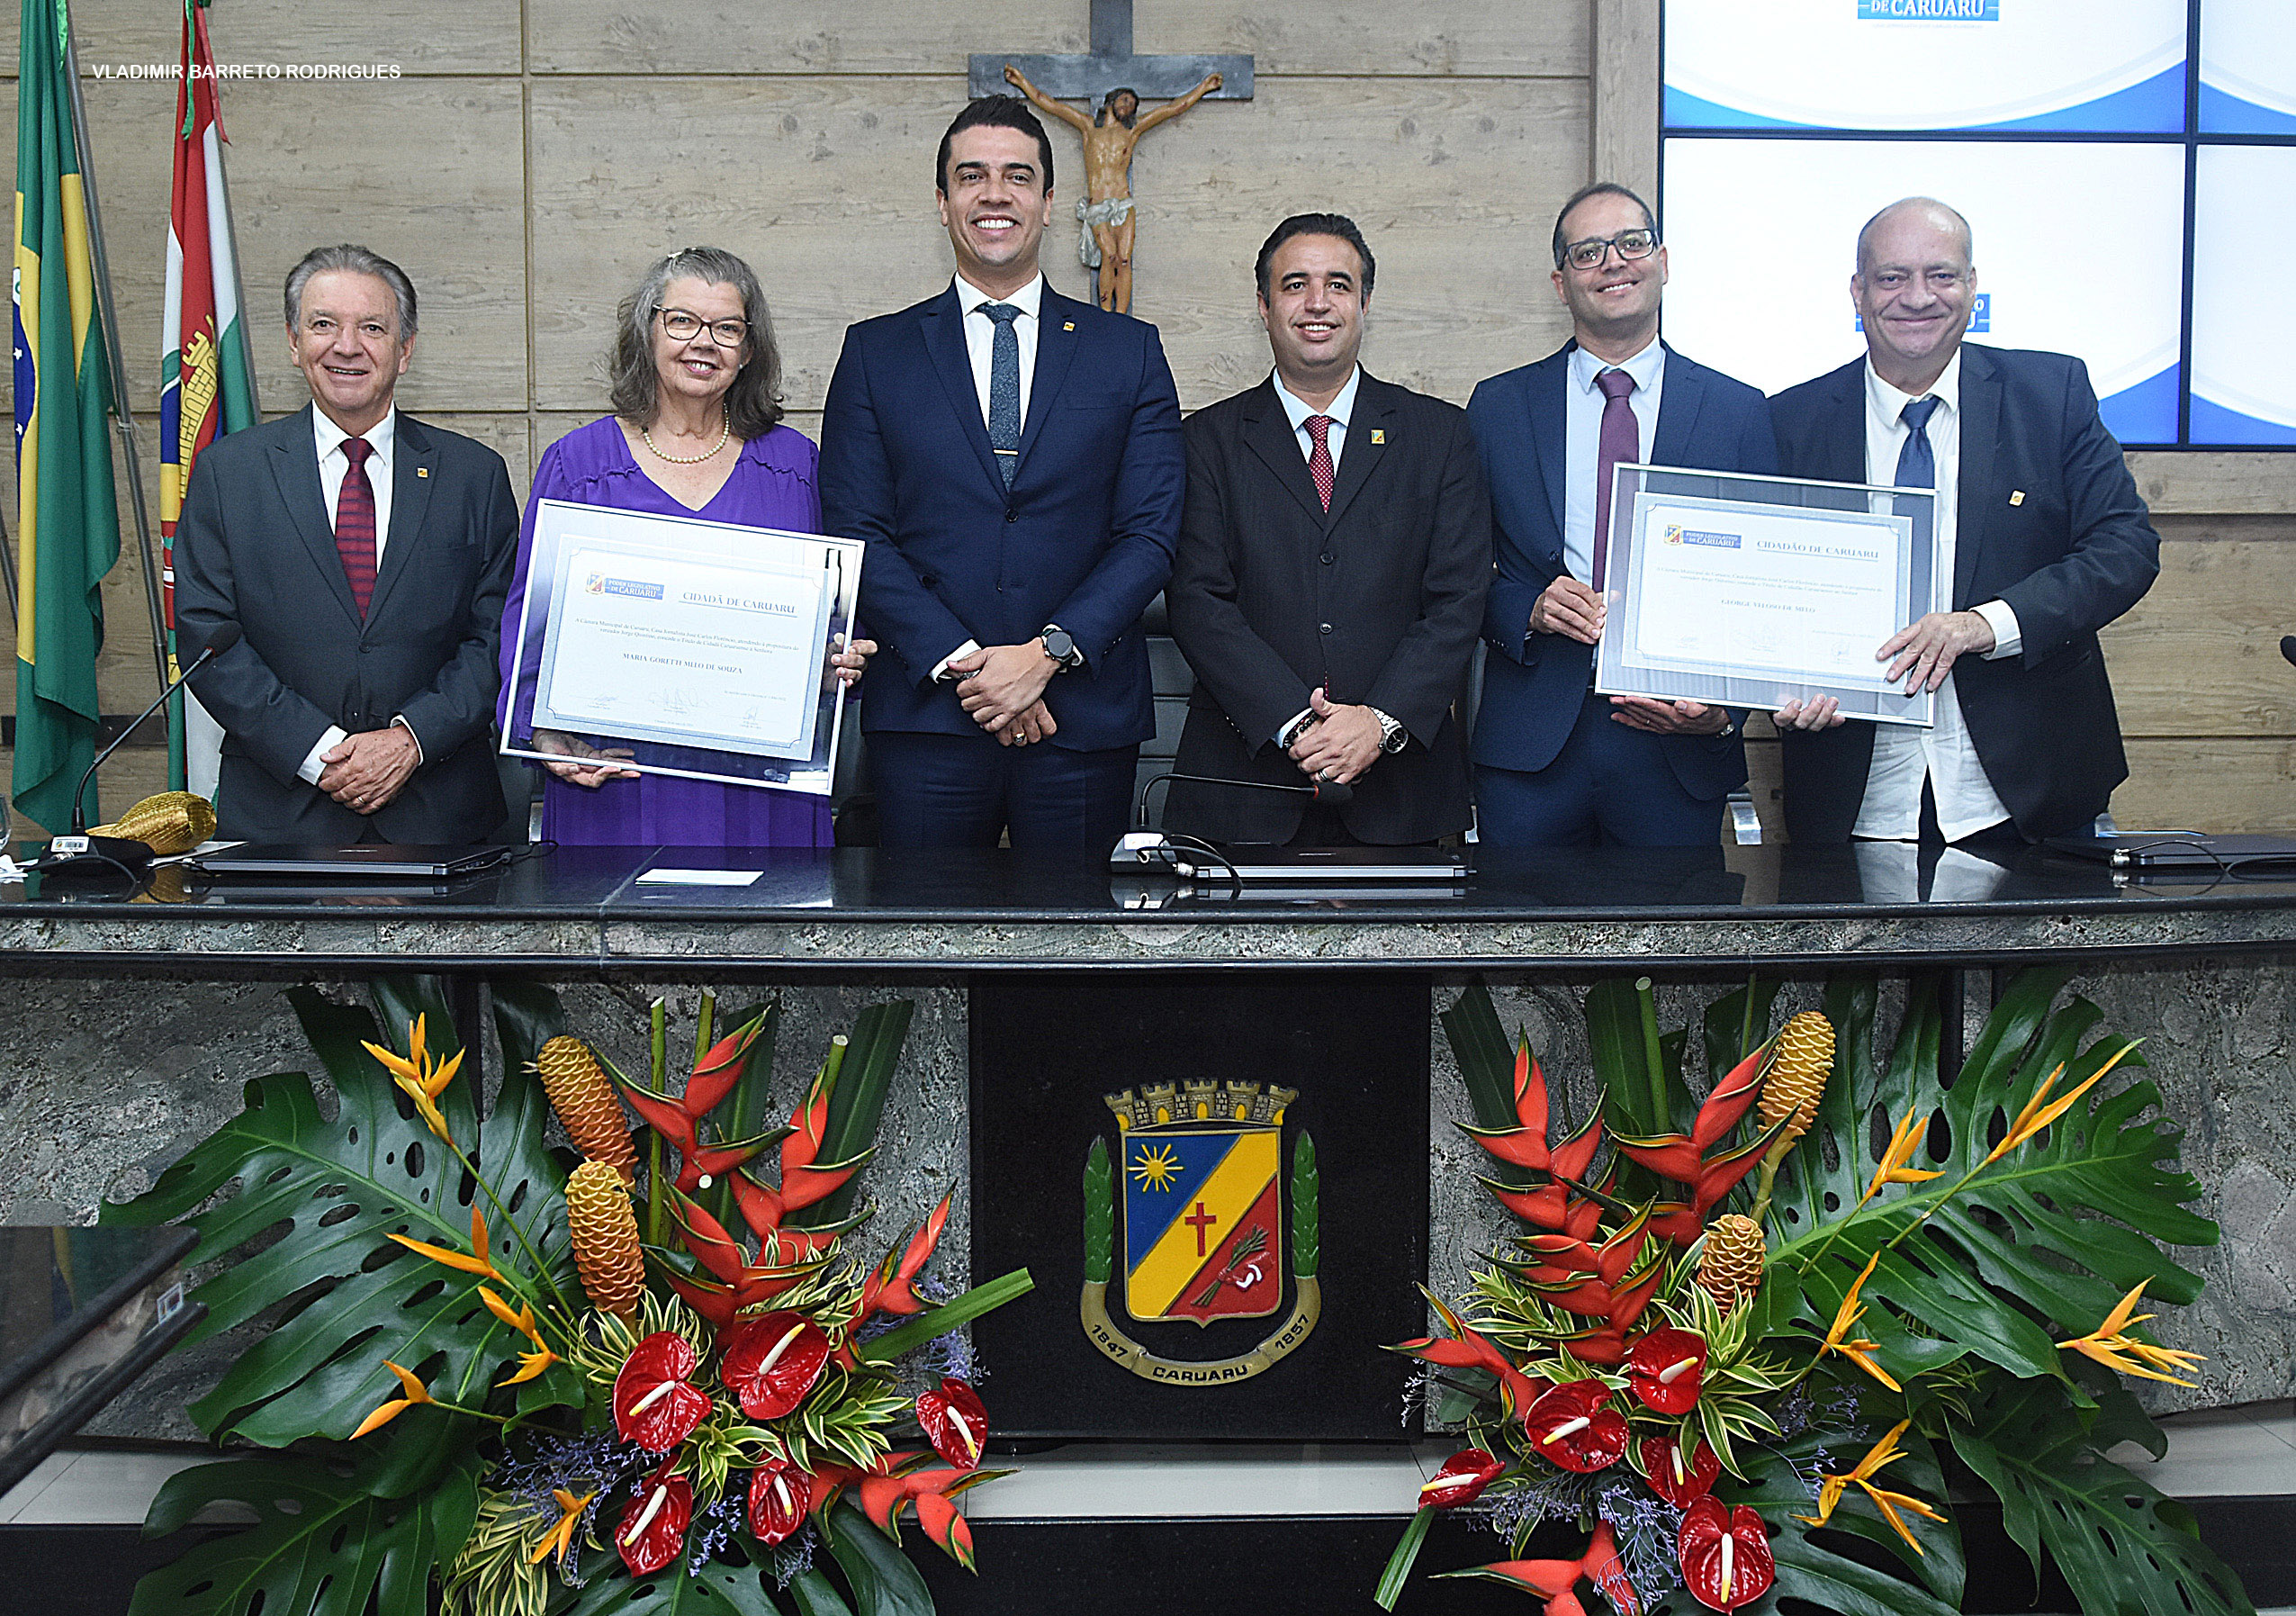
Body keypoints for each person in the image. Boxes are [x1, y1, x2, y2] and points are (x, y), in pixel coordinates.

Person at [818, 95, 1185, 850]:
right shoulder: (874, 353)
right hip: (927, 721)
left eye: (1018, 176)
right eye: (972, 175)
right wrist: (971, 669)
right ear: (943, 201)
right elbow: (857, 529)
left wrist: (1045, 655)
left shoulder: (1129, 352)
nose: (995, 193)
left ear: (1050, 204)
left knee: (1081, 955)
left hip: (1081, 717)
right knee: (926, 952)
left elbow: (1149, 533)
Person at [1768, 197, 2159, 845]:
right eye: (1891, 278)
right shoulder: (1791, 422)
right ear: (1857, 292)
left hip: (2026, 795)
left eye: (1941, 275)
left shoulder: (2050, 394)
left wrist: (1986, 625)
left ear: (1972, 286)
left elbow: (2125, 548)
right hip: (1854, 801)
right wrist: (1780, 677)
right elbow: (1766, 584)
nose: (1917, 297)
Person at [497, 247, 870, 847]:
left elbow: (824, 617)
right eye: (681, 322)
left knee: (764, 940)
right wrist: (539, 734)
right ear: (647, 332)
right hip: (618, 781)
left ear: (748, 351)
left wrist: (831, 659)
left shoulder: (794, 465)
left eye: (727, 328)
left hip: (760, 787)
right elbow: (528, 628)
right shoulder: (579, 465)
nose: (704, 342)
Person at [1165, 213, 1490, 845]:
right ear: (1263, 305)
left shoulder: (1439, 435)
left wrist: (1376, 720)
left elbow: (1457, 600)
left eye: (1338, 284)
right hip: (1241, 787)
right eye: (1294, 285)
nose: (1317, 303)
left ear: (1365, 303)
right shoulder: (1203, 440)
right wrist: (1296, 724)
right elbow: (1197, 600)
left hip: (1403, 792)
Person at [1466, 184, 1777, 846]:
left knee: (1672, 944)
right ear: (1559, 282)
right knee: (1516, 945)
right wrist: (1526, 607)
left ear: (1662, 261)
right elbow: (1455, 573)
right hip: (1529, 749)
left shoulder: (1738, 411)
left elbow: (1763, 587)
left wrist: (1720, 712)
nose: (1613, 262)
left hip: (1675, 744)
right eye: (1588, 251)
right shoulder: (1498, 407)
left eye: (1631, 243)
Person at [176, 245, 517, 844]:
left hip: (441, 821)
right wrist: (321, 753)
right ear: (293, 341)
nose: (347, 345)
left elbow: (497, 637)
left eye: (373, 327)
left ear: (405, 349)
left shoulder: (474, 476)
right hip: (278, 823)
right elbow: (209, 639)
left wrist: (410, 740)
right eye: (323, 324)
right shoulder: (229, 474)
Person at [1001, 67, 1222, 315]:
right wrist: (1022, 82)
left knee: (1124, 259)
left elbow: (1172, 109)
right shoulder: (1088, 128)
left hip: (1123, 203)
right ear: (1111, 101)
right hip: (1098, 206)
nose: (1129, 107)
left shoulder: (1131, 132)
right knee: (1109, 256)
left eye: (1133, 105)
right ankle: (1106, 312)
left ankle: (1122, 316)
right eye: (1125, 100)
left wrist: (1204, 88)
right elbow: (1049, 104)